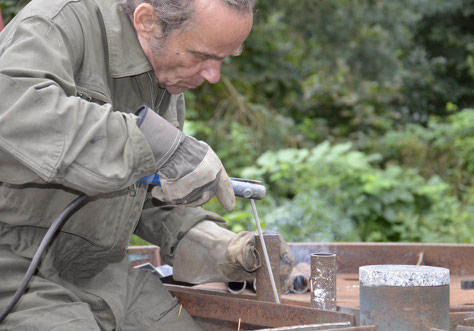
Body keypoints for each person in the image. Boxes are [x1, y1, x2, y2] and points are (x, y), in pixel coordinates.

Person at [0, 0, 293, 329]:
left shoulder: (165, 75)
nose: (213, 76)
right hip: (13, 266)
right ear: (148, 21)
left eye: (223, 59)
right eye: (202, 56)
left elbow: (139, 191)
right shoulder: (58, 21)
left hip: (98, 274)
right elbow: (14, 116)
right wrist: (153, 142)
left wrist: (213, 243)